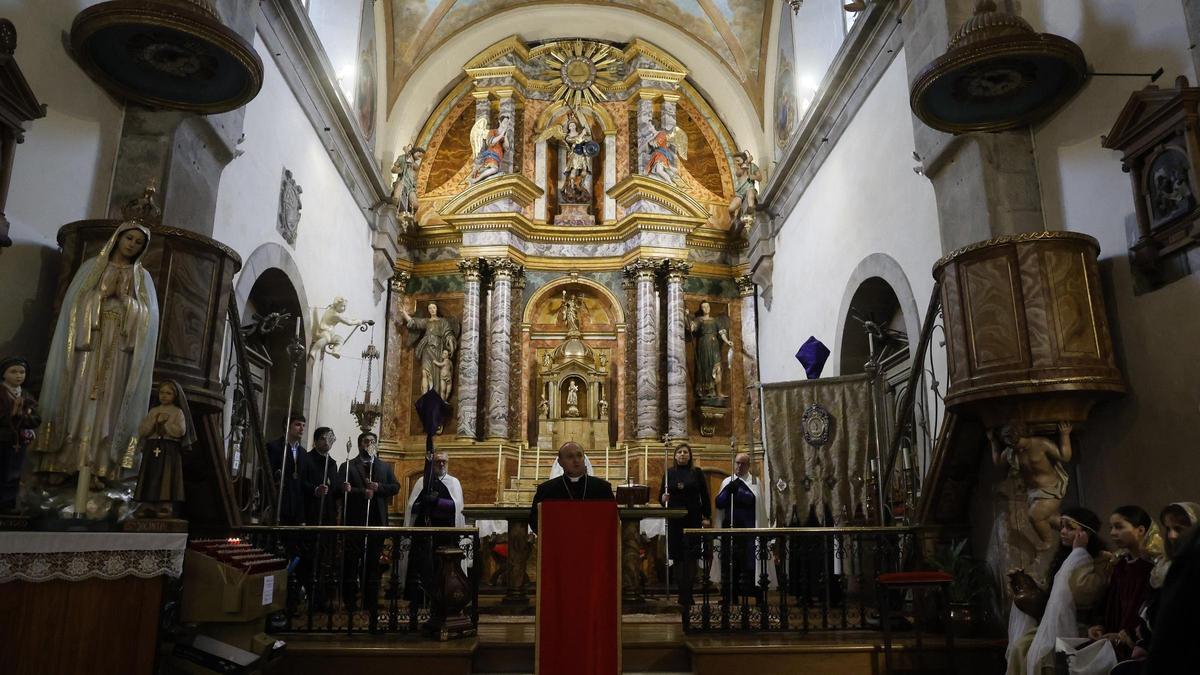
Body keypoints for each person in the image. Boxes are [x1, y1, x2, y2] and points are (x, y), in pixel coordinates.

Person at [35, 220, 159, 516]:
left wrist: (128, 304)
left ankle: (101, 467)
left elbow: (148, 317)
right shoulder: (93, 266)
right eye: (128, 238)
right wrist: (98, 298)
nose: (132, 245)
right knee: (77, 399)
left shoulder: (142, 278)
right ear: (117, 238)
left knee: (108, 406)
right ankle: (64, 462)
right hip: (87, 346)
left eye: (138, 243)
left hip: (118, 351)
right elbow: (73, 305)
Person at [1004, 507, 1112, 675]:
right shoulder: (1064, 556)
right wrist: (1028, 583)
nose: (1062, 531)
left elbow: (1083, 592)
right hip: (1055, 621)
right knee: (1020, 647)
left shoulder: (1102, 560)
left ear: (1086, 534)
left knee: (1040, 654)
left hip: (1083, 625)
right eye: (1062, 526)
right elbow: (1054, 595)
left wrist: (1079, 553)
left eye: (1070, 527)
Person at [1111, 502, 1199, 674]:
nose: (1172, 535)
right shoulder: (1161, 568)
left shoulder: (1192, 568)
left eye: (1180, 529)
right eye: (1168, 528)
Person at [1087, 505, 1158, 660]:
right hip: (1115, 639)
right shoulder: (1120, 565)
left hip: (1140, 644)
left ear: (1140, 530)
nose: (1112, 533)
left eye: (1119, 527)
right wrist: (1099, 625)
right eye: (1111, 527)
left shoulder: (1153, 568)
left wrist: (1128, 636)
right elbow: (1110, 602)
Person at [341, 432, 399, 620]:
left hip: (376, 520)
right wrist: (361, 492)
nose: (369, 444)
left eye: (373, 442)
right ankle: (350, 601)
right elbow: (341, 490)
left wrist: (378, 488)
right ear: (359, 445)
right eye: (366, 441)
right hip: (355, 520)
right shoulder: (348, 465)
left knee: (373, 563)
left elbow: (395, 487)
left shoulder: (383, 466)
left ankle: (370, 601)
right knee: (352, 561)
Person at [403, 451, 466, 604]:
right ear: (432, 464)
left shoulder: (454, 482)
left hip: (445, 533)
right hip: (423, 533)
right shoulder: (422, 481)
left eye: (444, 461)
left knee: (442, 566)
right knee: (421, 566)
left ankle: (444, 596)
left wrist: (438, 502)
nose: (441, 464)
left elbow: (457, 506)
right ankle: (418, 599)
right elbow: (412, 507)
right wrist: (424, 503)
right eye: (438, 461)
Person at [133, 380, 194, 518]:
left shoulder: (177, 412)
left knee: (167, 475)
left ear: (175, 396)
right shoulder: (154, 411)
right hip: (153, 446)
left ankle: (165, 504)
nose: (164, 396)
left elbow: (181, 431)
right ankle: (148, 502)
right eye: (161, 392)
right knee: (150, 473)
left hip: (169, 448)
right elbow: (143, 430)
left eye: (168, 393)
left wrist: (165, 425)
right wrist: (155, 422)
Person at [659, 443, 711, 604]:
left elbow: (704, 495)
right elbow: (661, 496)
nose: (682, 455)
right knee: (679, 556)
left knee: (692, 556)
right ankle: (682, 592)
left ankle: (689, 591)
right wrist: (663, 499)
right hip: (675, 519)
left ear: (690, 456)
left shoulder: (696, 473)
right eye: (679, 452)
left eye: (685, 452)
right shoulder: (669, 473)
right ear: (675, 456)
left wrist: (707, 516)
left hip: (693, 517)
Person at [714, 453, 770, 598]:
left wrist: (738, 491)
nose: (739, 466)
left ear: (748, 466)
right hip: (729, 528)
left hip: (748, 530)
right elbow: (719, 502)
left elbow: (753, 500)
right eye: (737, 463)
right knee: (729, 562)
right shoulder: (727, 482)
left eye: (743, 463)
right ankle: (729, 594)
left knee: (748, 563)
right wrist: (728, 491)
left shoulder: (755, 482)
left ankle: (750, 592)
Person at [529, 442, 614, 534]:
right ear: (560, 462)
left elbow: (611, 519)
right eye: (570, 457)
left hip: (593, 544)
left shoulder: (602, 488)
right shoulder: (546, 490)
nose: (576, 460)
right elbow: (535, 521)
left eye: (579, 455)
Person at [299, 426, 341, 612]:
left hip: (328, 516)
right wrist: (315, 490)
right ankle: (309, 594)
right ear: (316, 441)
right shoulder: (306, 459)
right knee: (310, 556)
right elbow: (300, 483)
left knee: (325, 557)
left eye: (330, 438)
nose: (327, 442)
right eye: (323, 438)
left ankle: (322, 596)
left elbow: (335, 489)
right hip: (311, 513)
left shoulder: (332, 463)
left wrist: (342, 488)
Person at [0, 357, 39, 514]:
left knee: (13, 473)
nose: (18, 375)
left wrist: (25, 416)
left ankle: (7, 505)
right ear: (4, 374)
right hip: (2, 439)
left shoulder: (26, 395)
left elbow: (36, 418)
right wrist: (13, 413)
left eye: (22, 372)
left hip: (18, 441)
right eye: (13, 371)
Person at [266, 414, 308, 525]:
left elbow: (302, 482)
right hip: (279, 503)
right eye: (298, 425)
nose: (302, 429)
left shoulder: (303, 452)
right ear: (286, 426)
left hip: (296, 508)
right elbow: (267, 475)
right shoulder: (274, 447)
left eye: (304, 425)